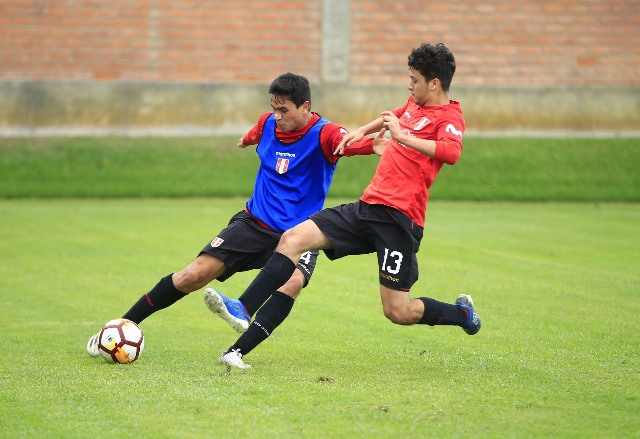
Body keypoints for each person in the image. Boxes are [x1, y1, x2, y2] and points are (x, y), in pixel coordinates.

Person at [212, 43, 481, 370]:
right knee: (294, 239)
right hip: (367, 208)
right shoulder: (413, 105)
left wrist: (403, 137)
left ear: (434, 83)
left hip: (400, 222)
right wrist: (360, 133)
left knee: (397, 311)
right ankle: (242, 313)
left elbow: (451, 153)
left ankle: (461, 314)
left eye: (414, 79)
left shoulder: (450, 116)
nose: (409, 85)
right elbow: (389, 117)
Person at [85, 72, 382, 364]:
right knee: (193, 275)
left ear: (305, 107)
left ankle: (235, 353)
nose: (277, 116)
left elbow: (348, 142)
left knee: (292, 282)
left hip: (300, 235)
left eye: (284, 110)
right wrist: (246, 139)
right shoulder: (267, 123)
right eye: (274, 108)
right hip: (253, 224)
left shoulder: (325, 133)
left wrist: (372, 146)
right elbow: (257, 132)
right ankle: (116, 330)